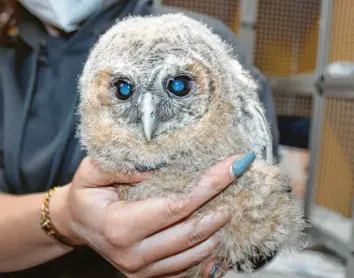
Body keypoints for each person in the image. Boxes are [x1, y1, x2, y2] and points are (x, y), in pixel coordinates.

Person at [0, 0, 279, 277]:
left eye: (179, 85)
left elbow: (265, 235)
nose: (148, 111)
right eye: (122, 89)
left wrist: (230, 230)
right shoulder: (6, 55)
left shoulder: (203, 42)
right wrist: (67, 217)